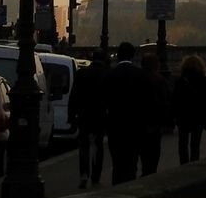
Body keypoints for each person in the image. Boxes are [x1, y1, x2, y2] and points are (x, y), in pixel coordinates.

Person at [105, 41, 149, 184]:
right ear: (133, 56)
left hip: (115, 126)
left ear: (117, 55)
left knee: (117, 163)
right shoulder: (140, 75)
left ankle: (116, 188)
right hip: (134, 127)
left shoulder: (110, 75)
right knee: (131, 162)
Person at [68, 49, 107, 188]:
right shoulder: (106, 74)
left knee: (84, 146)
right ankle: (96, 176)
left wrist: (71, 116)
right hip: (100, 115)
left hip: (84, 114)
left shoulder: (82, 73)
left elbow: (74, 97)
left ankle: (84, 174)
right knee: (98, 145)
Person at [172, 53, 206, 165]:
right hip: (199, 117)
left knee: (183, 143)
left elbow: (175, 100)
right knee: (195, 144)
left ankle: (183, 165)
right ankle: (194, 165)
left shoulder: (181, 81)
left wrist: (174, 116)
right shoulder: (204, 80)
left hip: (183, 117)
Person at [139, 53, 171, 175]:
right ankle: (151, 171)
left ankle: (145, 169)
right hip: (155, 122)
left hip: (141, 121)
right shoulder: (160, 80)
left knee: (143, 149)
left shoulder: (138, 78)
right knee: (154, 149)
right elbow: (166, 101)